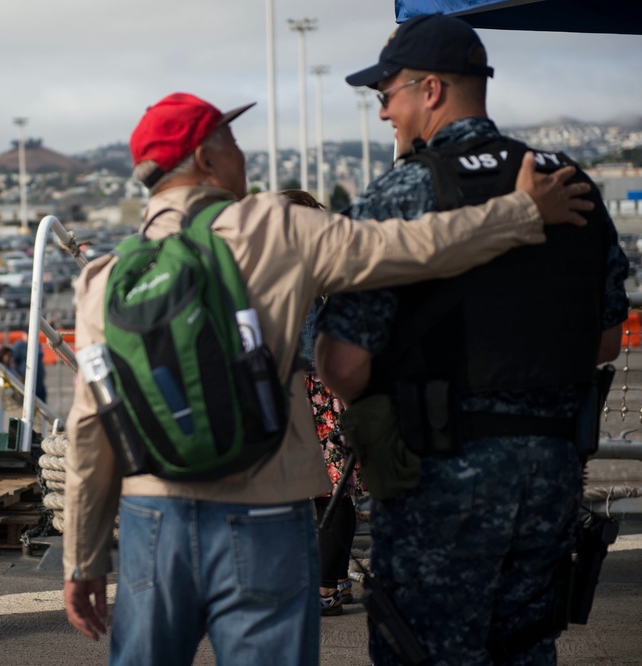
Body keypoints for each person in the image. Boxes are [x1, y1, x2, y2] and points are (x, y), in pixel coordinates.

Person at [62, 91, 594, 666]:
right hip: (264, 510)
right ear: (206, 161)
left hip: (152, 518)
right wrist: (520, 212)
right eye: (234, 143)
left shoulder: (104, 279)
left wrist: (82, 561)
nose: (244, 157)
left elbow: (90, 433)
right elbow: (408, 247)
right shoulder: (273, 227)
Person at [315, 14, 629, 664]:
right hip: (550, 477)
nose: (382, 114)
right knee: (523, 647)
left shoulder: (401, 192)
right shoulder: (570, 184)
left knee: (423, 648)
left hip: (441, 478)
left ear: (430, 90)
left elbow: (344, 365)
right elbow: (603, 343)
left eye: (386, 95)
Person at [282, 190, 361, 618]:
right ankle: (336, 580)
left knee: (321, 493)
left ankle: (326, 586)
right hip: (328, 389)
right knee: (337, 489)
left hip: (300, 391)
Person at [12, 334, 47, 403]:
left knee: (42, 407)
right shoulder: (19, 346)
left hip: (39, 384)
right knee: (26, 405)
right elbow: (12, 362)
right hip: (25, 384)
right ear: (24, 335)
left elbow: (40, 360)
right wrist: (18, 375)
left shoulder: (37, 344)